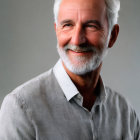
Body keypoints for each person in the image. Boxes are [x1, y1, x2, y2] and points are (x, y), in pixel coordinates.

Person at [0, 0, 140, 139]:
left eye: (91, 26)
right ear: (57, 31)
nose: (77, 40)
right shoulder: (21, 109)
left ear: (113, 36)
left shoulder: (126, 114)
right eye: (67, 25)